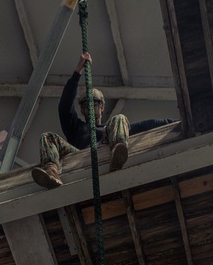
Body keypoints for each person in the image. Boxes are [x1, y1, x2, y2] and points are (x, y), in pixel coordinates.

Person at [31, 51, 173, 189]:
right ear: (82, 110)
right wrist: (77, 71)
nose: (91, 108)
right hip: (79, 155)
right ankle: (51, 172)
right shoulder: (76, 128)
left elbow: (147, 125)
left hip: (106, 146)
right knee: (47, 137)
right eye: (87, 105)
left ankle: (118, 152)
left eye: (95, 103)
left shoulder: (111, 129)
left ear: (102, 107)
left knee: (120, 118)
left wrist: (173, 122)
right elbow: (64, 106)